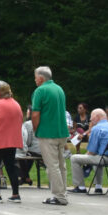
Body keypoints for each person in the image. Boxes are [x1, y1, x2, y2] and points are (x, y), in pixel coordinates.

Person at [31, 66, 70, 206]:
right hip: (61, 132)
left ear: (40, 78)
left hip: (48, 133)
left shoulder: (40, 90)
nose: (35, 80)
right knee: (61, 165)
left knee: (52, 165)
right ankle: (63, 192)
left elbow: (35, 113)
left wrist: (36, 129)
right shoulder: (59, 88)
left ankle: (59, 196)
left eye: (35, 77)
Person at [69, 109, 108, 195]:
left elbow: (91, 151)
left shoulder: (96, 128)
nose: (90, 119)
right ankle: (98, 187)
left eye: (91, 117)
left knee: (74, 158)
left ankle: (80, 187)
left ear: (97, 117)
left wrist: (84, 161)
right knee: (98, 156)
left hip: (105, 159)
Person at [17, 107, 42, 185]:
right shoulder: (43, 122)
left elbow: (27, 141)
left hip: (36, 150)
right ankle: (26, 177)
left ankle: (24, 177)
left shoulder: (28, 124)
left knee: (21, 155)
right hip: (44, 149)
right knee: (28, 156)